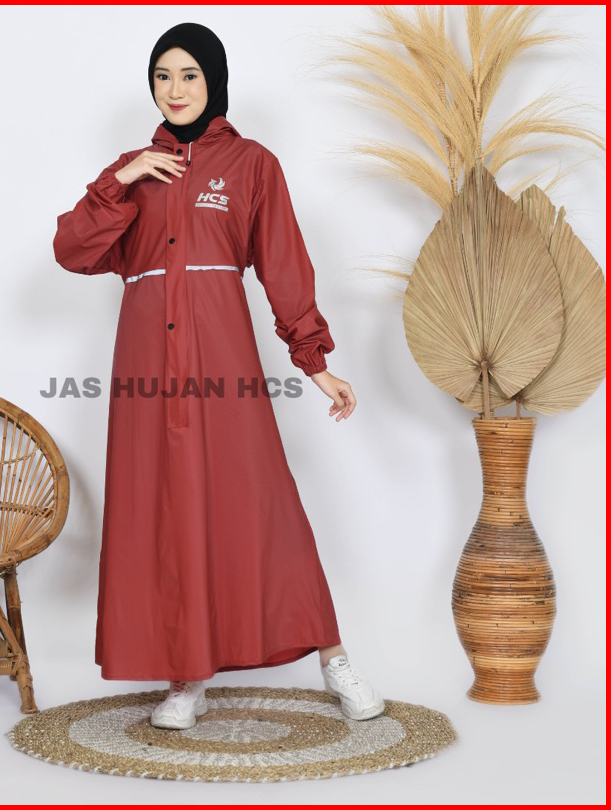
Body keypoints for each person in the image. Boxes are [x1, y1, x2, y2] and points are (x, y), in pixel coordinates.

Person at [53, 22, 385, 730]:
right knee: (165, 512)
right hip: (146, 368)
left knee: (262, 502)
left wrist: (315, 363)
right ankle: (187, 676)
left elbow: (284, 265)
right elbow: (72, 251)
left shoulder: (251, 165)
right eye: (162, 76)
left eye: (189, 75)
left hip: (223, 360)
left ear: (214, 81)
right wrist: (121, 180)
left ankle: (334, 659)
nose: (174, 90)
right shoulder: (131, 171)